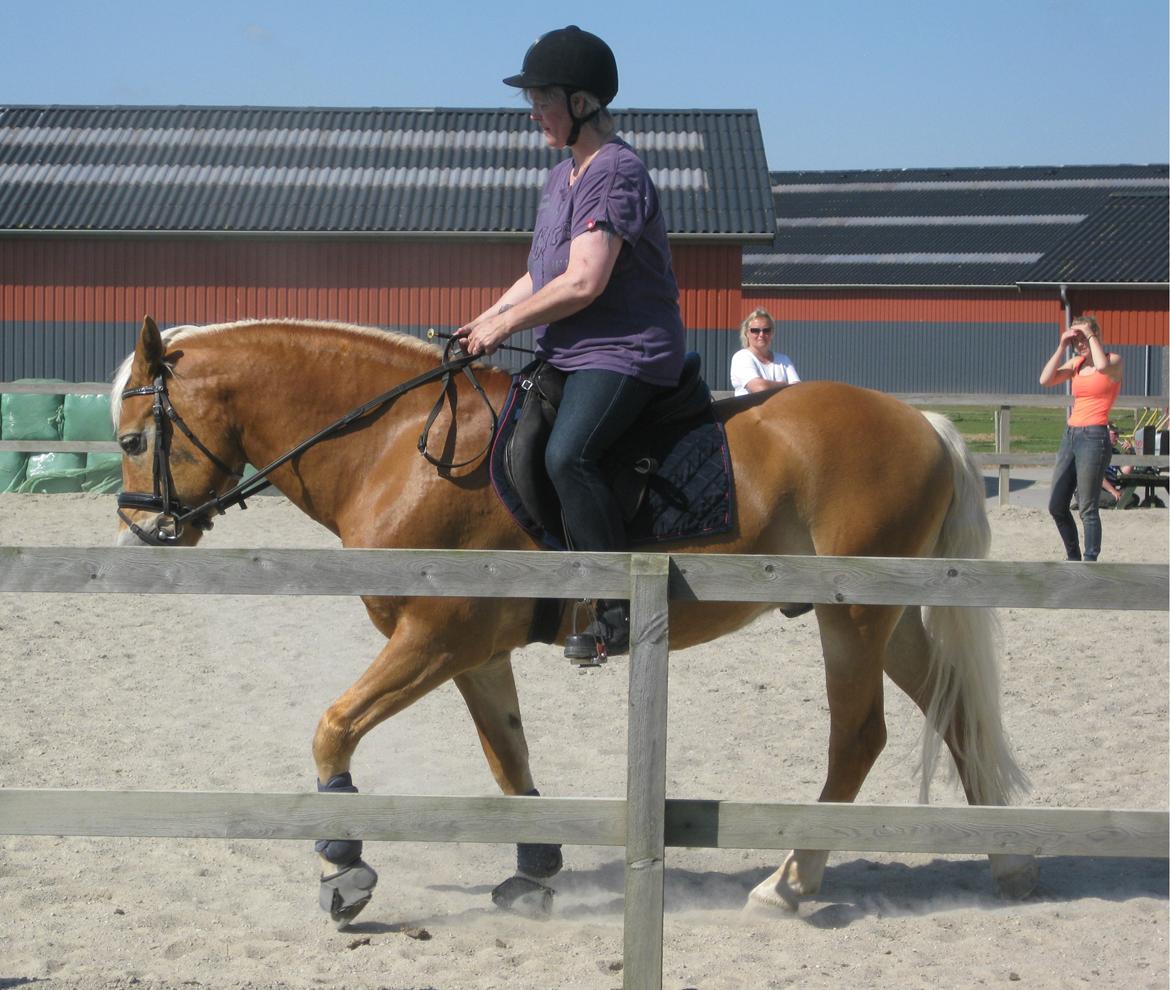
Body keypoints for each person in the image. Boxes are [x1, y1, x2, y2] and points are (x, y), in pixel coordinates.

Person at [457, 26, 686, 654]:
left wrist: (508, 326)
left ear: (582, 103)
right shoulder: (562, 178)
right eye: (531, 101)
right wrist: (483, 320)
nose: (535, 114)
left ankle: (619, 610)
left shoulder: (617, 172)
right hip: (571, 351)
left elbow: (584, 280)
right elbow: (542, 271)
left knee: (568, 456)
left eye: (544, 100)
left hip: (627, 350)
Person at [1039, 316, 1124, 561]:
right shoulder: (1075, 364)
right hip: (1071, 434)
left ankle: (1090, 562)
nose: (1080, 344)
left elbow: (1101, 367)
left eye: (1083, 338)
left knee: (1087, 507)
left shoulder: (1112, 360)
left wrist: (1088, 333)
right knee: (1056, 505)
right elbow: (1045, 380)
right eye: (1076, 339)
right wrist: (1062, 346)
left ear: (1094, 334)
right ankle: (1073, 558)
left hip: (1094, 435)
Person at [729, 308, 800, 396]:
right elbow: (759, 388)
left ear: (772, 333)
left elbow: (798, 389)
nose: (761, 335)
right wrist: (785, 385)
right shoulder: (741, 357)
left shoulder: (784, 359)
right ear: (746, 333)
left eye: (766, 330)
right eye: (755, 330)